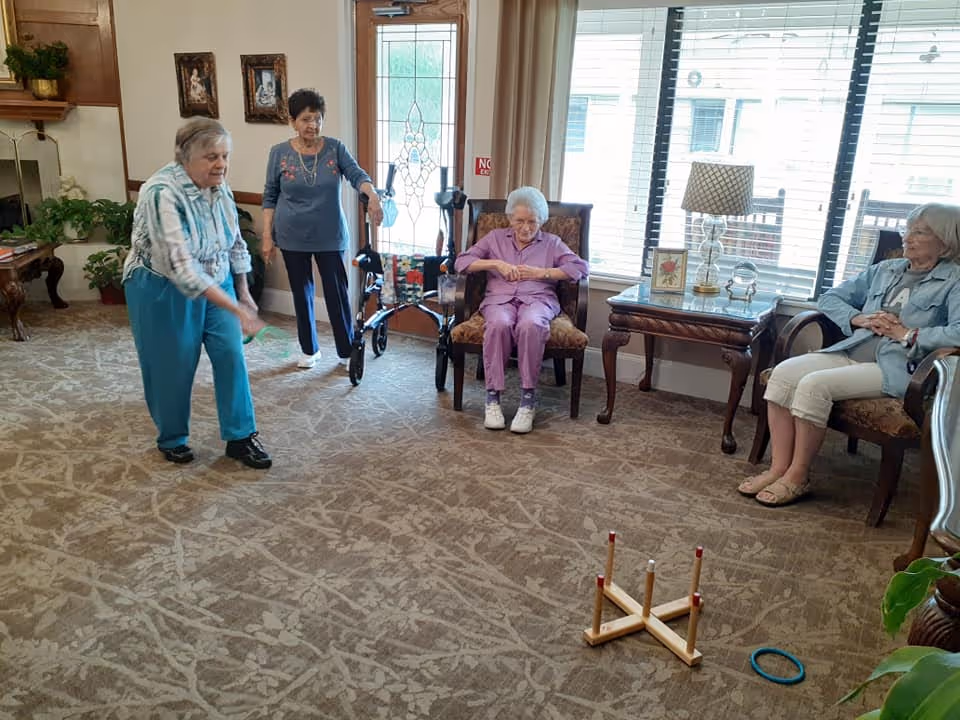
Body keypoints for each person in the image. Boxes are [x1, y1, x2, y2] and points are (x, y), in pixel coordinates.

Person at [739, 202, 960, 506]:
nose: (907, 238)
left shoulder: (955, 281)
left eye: (920, 232)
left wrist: (909, 334)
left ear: (944, 240)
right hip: (852, 350)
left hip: (897, 366)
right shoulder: (886, 270)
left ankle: (798, 476)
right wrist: (858, 318)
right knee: (783, 375)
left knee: (813, 385)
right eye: (908, 230)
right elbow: (830, 298)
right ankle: (778, 468)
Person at [123, 118, 272, 469]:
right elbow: (182, 269)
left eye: (225, 156)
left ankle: (240, 436)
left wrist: (243, 293)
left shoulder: (220, 187)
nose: (220, 164)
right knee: (172, 365)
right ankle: (172, 437)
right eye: (211, 157)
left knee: (231, 355)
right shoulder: (160, 194)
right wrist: (238, 310)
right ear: (185, 158)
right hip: (162, 286)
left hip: (216, 280)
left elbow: (235, 243)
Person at [261, 88, 383, 369]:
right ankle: (309, 349)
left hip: (330, 235)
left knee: (336, 294)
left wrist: (373, 195)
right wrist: (268, 236)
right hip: (291, 234)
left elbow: (357, 176)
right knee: (302, 294)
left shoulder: (334, 148)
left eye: (317, 119)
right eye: (305, 119)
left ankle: (345, 350)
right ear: (292, 121)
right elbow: (269, 196)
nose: (312, 125)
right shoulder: (278, 153)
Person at [453, 186, 588, 434]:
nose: (526, 228)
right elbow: (462, 262)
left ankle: (528, 400)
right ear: (509, 219)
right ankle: (492, 399)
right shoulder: (494, 238)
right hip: (499, 300)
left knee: (531, 325)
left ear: (542, 221)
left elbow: (579, 268)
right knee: (498, 325)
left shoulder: (552, 243)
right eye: (519, 221)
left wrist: (542, 272)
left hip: (538, 300)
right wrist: (496, 264)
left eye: (532, 222)